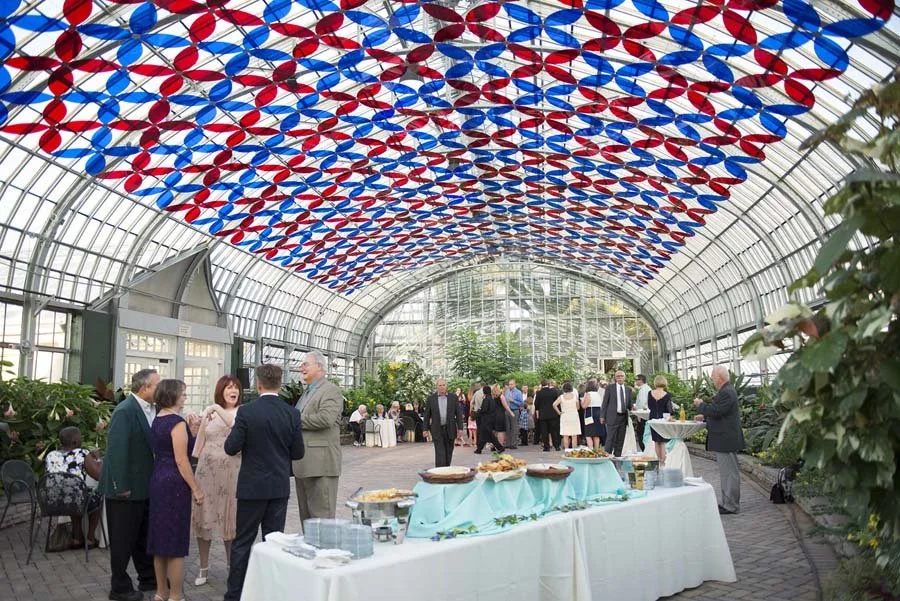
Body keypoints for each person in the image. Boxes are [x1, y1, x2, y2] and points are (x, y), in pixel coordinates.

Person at [224, 364, 304, 601]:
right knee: (274, 541)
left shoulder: (247, 412)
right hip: (278, 487)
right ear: (280, 385)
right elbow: (298, 452)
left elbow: (231, 448)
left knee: (242, 543)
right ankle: (272, 592)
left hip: (251, 487)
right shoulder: (291, 413)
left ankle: (235, 595)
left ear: (258, 384)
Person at [99, 369, 160, 601]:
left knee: (142, 535)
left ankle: (148, 577)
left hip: (144, 487)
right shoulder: (125, 411)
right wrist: (120, 485)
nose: (160, 389)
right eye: (157, 385)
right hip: (125, 489)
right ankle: (119, 587)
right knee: (123, 539)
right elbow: (116, 451)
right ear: (144, 388)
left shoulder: (152, 409)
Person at [146, 379, 203, 601]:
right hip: (174, 483)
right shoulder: (176, 423)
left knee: (159, 541)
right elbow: (182, 460)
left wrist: (194, 431)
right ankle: (176, 595)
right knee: (176, 543)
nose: (185, 397)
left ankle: (161, 592)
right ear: (172, 396)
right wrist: (196, 488)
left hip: (158, 479)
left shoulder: (157, 420)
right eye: (183, 394)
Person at [191, 375, 242, 587]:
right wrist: (194, 422)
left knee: (230, 520)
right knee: (205, 518)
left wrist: (214, 409)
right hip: (207, 471)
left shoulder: (242, 412)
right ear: (220, 390)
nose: (233, 391)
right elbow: (198, 443)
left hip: (232, 471)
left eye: (236, 388)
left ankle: (232, 568)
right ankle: (203, 568)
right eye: (229, 387)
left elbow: (232, 424)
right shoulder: (210, 412)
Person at [293, 350, 343, 524]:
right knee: (307, 522)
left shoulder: (330, 390)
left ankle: (326, 552)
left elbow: (326, 418)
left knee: (323, 522)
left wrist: (294, 420)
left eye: (306, 364)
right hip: (304, 465)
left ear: (320, 367)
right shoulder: (306, 393)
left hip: (321, 466)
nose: (301, 368)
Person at [693, 366, 744, 515]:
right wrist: (704, 416)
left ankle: (732, 505)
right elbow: (720, 412)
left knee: (729, 474)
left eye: (713, 376)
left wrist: (700, 405)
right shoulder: (726, 391)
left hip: (726, 439)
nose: (711, 379)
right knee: (726, 473)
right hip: (725, 439)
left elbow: (715, 411)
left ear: (720, 377)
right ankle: (727, 503)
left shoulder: (727, 392)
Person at [45, 426, 103, 549]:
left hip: (52, 503)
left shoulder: (51, 455)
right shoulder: (81, 453)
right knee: (95, 496)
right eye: (80, 438)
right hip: (76, 501)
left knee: (73, 494)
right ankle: (90, 538)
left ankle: (77, 538)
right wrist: (98, 459)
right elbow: (99, 476)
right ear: (75, 442)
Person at [424, 379, 460, 467]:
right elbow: (427, 415)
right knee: (440, 453)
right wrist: (425, 429)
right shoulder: (431, 399)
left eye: (443, 385)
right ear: (436, 387)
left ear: (446, 386)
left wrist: (460, 428)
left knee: (449, 451)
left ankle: (446, 471)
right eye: (440, 385)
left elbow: (458, 414)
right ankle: (439, 472)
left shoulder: (453, 397)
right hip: (437, 429)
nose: (442, 387)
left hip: (450, 428)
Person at [600, 370, 634, 456]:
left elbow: (629, 404)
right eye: (618, 376)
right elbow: (605, 403)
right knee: (610, 438)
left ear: (624, 377)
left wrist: (633, 408)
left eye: (621, 376)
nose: (620, 378)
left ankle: (617, 457)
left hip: (623, 417)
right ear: (615, 378)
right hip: (612, 417)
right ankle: (607, 456)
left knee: (620, 439)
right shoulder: (610, 388)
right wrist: (602, 416)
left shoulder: (628, 390)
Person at [647, 375, 675, 465]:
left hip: (652, 418)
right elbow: (669, 409)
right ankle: (663, 462)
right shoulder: (667, 395)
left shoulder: (650, 393)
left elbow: (649, 406)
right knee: (662, 442)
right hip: (662, 419)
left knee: (656, 441)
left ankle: (659, 460)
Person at [473, 385, 504, 454]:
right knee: (487, 435)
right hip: (491, 419)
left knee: (485, 435)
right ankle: (499, 448)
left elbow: (484, 409)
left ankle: (479, 449)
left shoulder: (486, 399)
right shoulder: (491, 399)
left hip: (485, 420)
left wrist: (479, 410)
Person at [534, 379, 561, 451]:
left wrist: (538, 412)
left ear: (541, 384)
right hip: (552, 414)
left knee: (544, 432)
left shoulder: (539, 393)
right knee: (554, 431)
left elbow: (536, 404)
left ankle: (546, 447)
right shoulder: (553, 391)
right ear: (548, 384)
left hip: (543, 415)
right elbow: (557, 401)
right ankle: (557, 446)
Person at [553, 382, 581, 449]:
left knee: (565, 435)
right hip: (574, 416)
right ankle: (574, 451)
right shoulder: (575, 396)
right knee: (574, 436)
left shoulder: (561, 397)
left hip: (565, 416)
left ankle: (567, 450)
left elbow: (554, 405)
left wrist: (559, 412)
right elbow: (578, 407)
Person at [580, 379, 605, 450]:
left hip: (590, 414)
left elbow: (584, 406)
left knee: (588, 434)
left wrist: (582, 401)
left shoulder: (589, 394)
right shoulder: (598, 394)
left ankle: (590, 449)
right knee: (596, 434)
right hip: (599, 413)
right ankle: (596, 450)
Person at [501, 379, 524, 450]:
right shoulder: (507, 391)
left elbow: (521, 403)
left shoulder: (518, 392)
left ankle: (513, 444)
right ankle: (508, 443)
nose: (510, 386)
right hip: (507, 410)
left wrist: (513, 401)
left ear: (515, 384)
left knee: (514, 427)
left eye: (511, 384)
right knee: (507, 427)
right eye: (509, 384)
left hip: (514, 410)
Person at [633, 374, 652, 451]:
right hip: (644, 415)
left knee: (641, 434)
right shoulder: (645, 388)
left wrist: (639, 415)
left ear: (640, 380)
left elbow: (643, 404)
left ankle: (645, 450)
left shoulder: (644, 390)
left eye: (636, 380)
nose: (635, 381)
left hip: (643, 416)